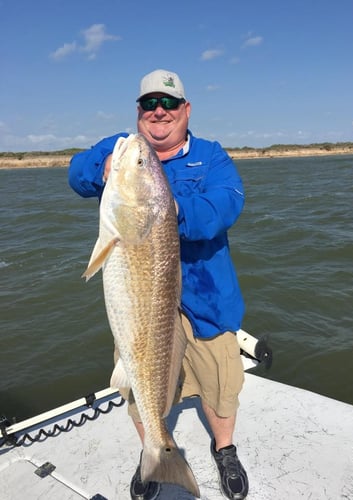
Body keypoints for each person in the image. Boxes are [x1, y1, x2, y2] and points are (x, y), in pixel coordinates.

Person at [69, 69, 249, 500]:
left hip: (207, 300)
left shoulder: (211, 156)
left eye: (169, 104)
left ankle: (224, 449)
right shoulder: (124, 148)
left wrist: (162, 211)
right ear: (138, 112)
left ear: (186, 110)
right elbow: (77, 174)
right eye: (149, 104)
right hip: (142, 309)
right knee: (139, 383)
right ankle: (153, 449)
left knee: (221, 385)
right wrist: (106, 166)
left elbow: (226, 205)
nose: (159, 112)